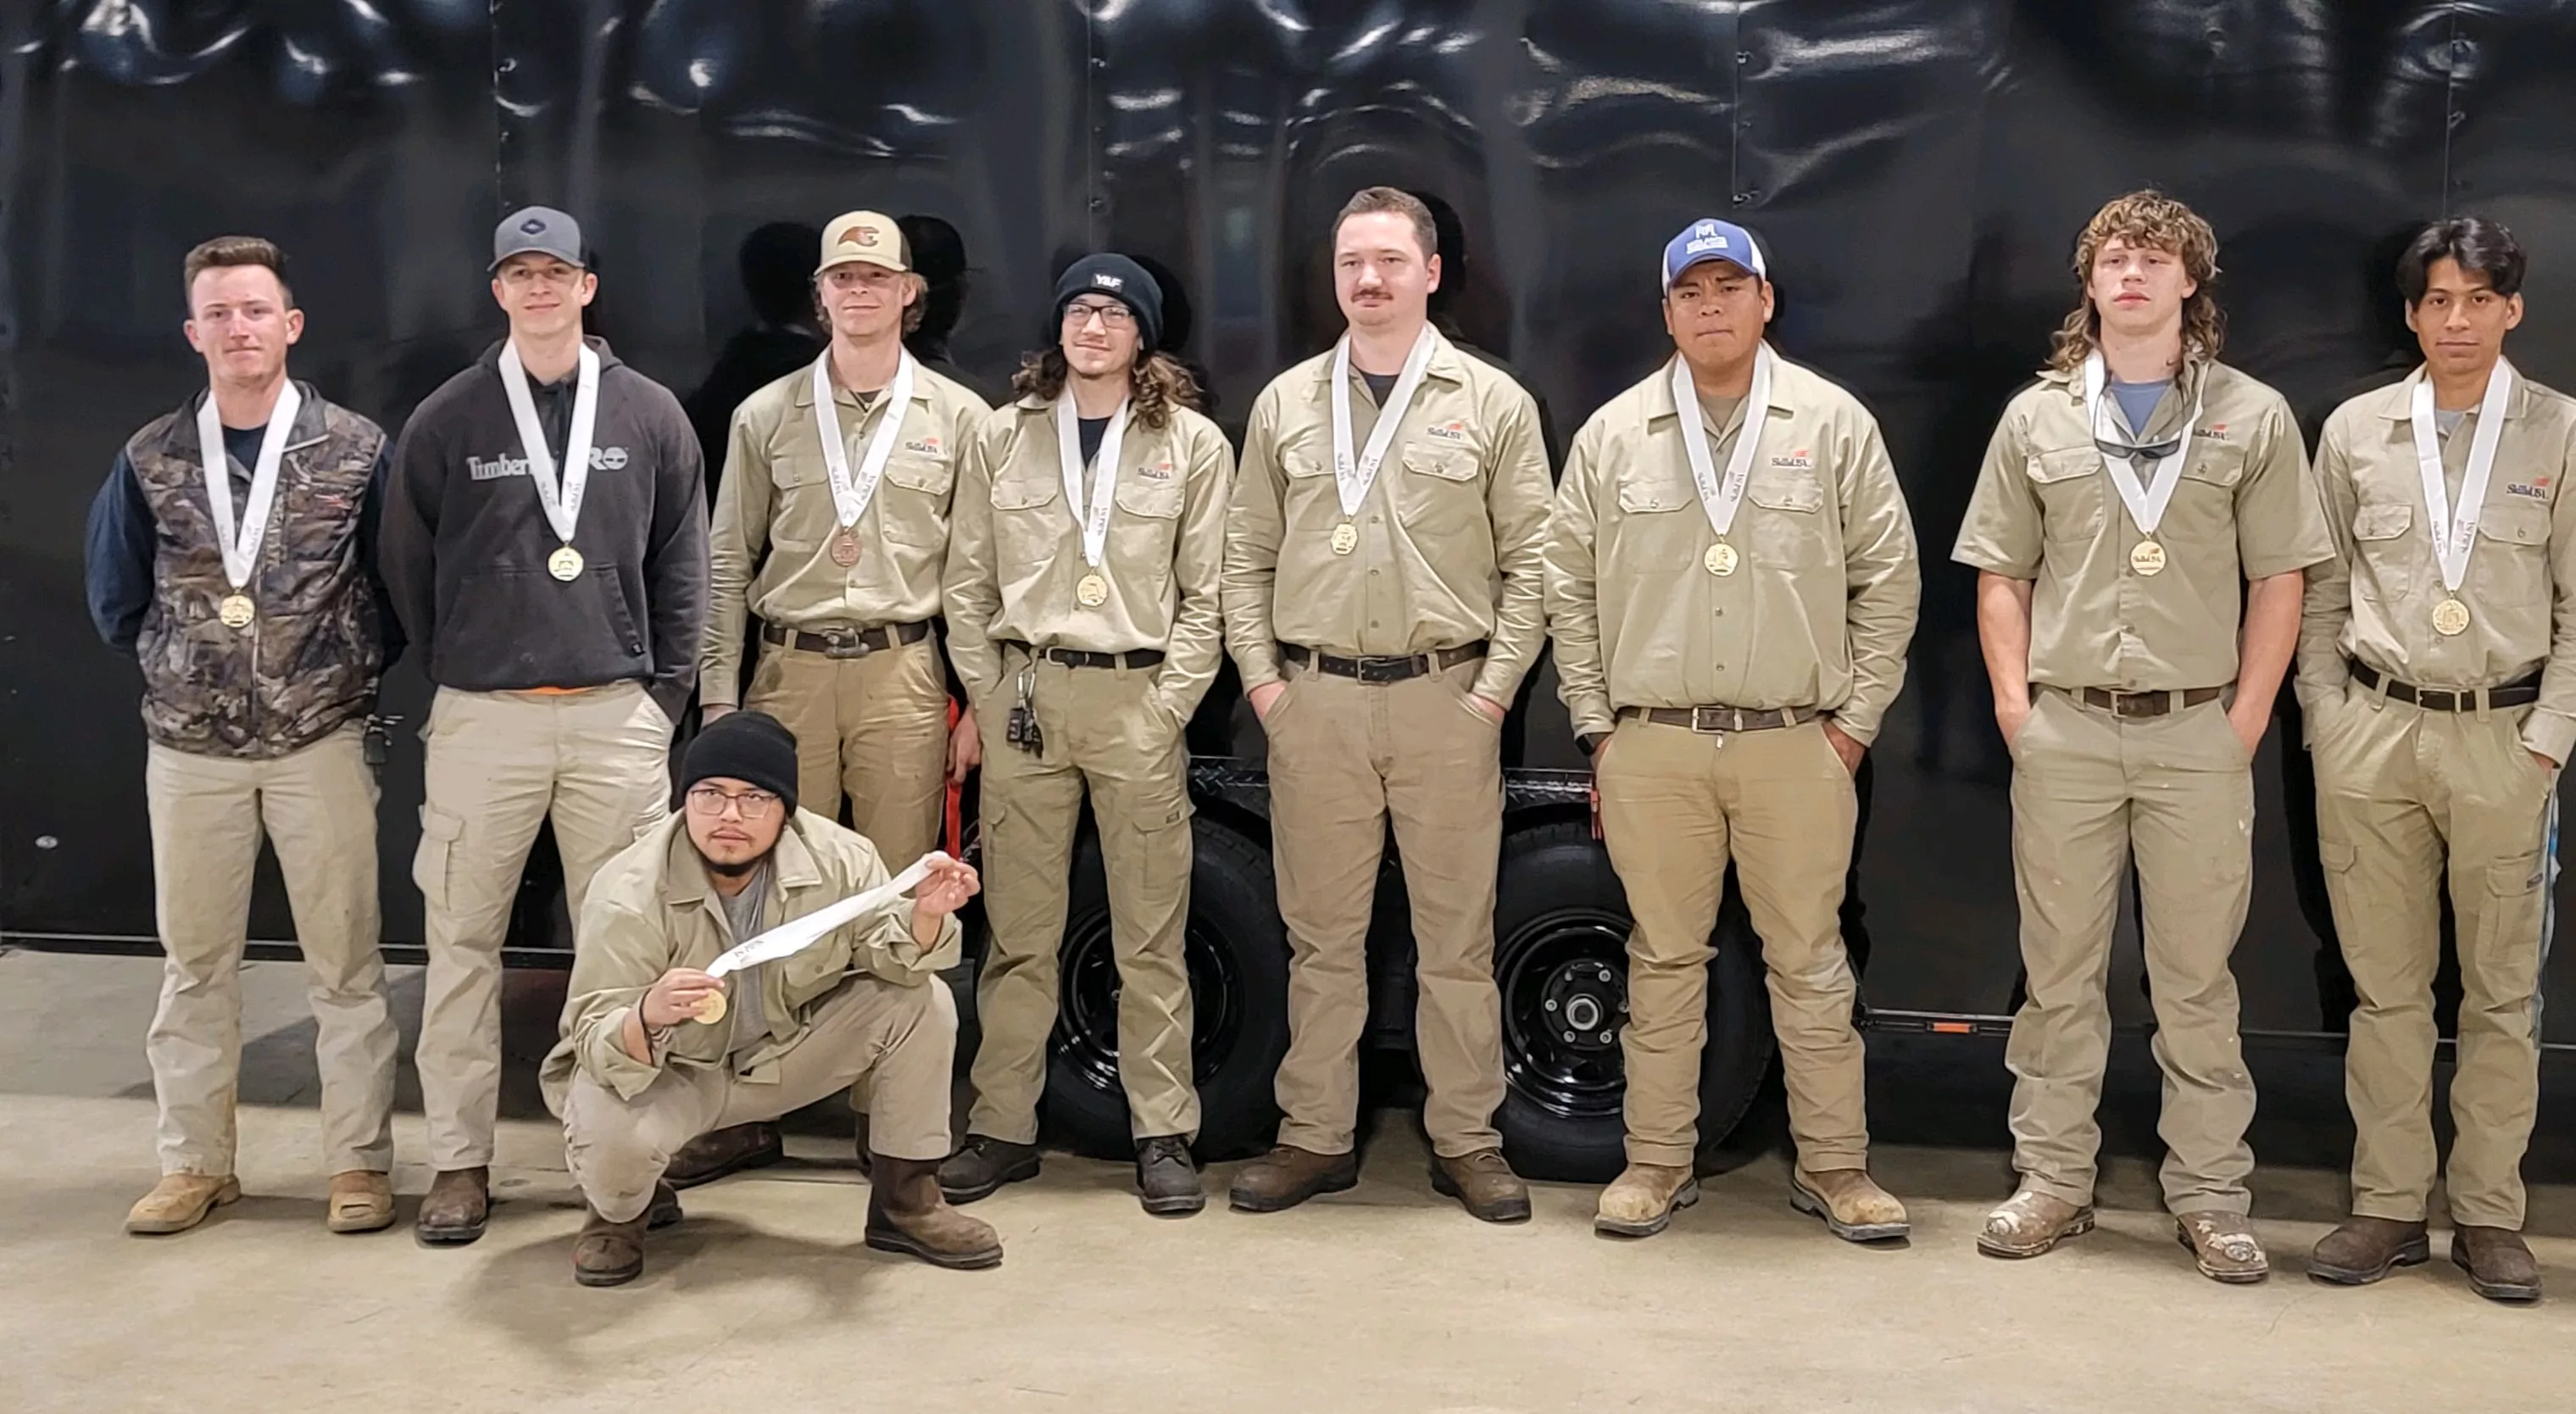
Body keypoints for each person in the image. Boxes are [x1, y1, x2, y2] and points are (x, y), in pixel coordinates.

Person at [1953, 190, 2333, 1283]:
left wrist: (2247, 718)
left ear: (2189, 284)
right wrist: (2019, 711)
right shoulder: (2037, 420)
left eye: (2154, 259)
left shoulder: (2250, 417)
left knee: (2196, 979)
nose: (2132, 274)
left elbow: (2282, 578)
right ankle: (2053, 1183)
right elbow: (2000, 577)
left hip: (2195, 736)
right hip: (2067, 731)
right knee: (2059, 971)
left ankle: (2212, 1197)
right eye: (2114, 257)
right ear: (2089, 283)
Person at [1544, 219, 1920, 1240]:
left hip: (1795, 743)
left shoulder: (1834, 423)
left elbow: (1890, 581)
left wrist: (1850, 729)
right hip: (1652, 744)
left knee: (1810, 960)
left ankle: (1837, 1168)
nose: (1710, 305)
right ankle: (1657, 1161)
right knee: (1663, 960)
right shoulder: (1614, 434)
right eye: (1690, 291)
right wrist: (1598, 728)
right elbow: (1564, 586)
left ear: (1767, 299)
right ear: (1666, 312)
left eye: (1729, 285)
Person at [1221, 186, 1551, 1222]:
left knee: (1458, 938)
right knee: (1320, 938)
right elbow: (1244, 559)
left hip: (1445, 703)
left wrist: (1492, 694)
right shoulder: (1284, 404)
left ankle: (1468, 1139)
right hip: (1315, 702)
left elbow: (1536, 564)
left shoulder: (1490, 402)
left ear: (1432, 272)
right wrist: (1268, 688)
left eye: (1391, 262)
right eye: (1352, 262)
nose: (1369, 280)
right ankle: (1314, 1136)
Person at [380, 206, 708, 1244]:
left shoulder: (651, 413)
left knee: (627, 954)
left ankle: (625, 1161)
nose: (537, 289)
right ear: (497, 291)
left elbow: (684, 569)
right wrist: (466, 669)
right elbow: (405, 569)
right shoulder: (448, 418)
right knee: (463, 945)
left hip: (615, 720)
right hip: (487, 723)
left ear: (586, 286)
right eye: (518, 273)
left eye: (553, 272)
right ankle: (459, 1163)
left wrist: (658, 702)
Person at [84, 236, 403, 1238]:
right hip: (191, 753)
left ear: (290, 325)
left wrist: (335, 672)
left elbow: (396, 592)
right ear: (193, 333)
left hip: (321, 743)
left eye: (255, 310)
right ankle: (195, 1165)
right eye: (218, 313)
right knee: (195, 968)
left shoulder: (356, 449)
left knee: (347, 967)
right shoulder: (150, 456)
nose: (238, 328)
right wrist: (192, 671)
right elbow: (112, 594)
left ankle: (358, 1164)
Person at [678, 211, 990, 1188]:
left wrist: (978, 696)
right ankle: (740, 1106)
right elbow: (728, 564)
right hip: (788, 676)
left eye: (877, 277)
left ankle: (887, 1119)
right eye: (841, 278)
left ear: (909, 293)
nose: (858, 292)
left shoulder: (960, 418)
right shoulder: (765, 415)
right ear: (820, 297)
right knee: (756, 890)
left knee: (899, 891)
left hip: (904, 672)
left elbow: (975, 573)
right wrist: (721, 702)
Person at [2295, 217, 2569, 1303]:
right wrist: (2326, 715)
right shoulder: (2358, 429)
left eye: (2479, 299)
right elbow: (2318, 587)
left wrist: (2547, 740)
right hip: (2373, 732)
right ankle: (2389, 1206)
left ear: (2514, 309)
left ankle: (2493, 1216)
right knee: (2385, 991)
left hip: (2506, 739)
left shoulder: (2560, 432)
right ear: (2411, 313)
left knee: (2503, 995)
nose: (2457, 321)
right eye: (2438, 300)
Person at [938, 253, 1235, 1215]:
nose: (1093, 327)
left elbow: (1209, 599)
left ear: (1142, 335)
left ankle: (1162, 1132)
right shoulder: (1003, 434)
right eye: (1078, 311)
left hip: (1135, 703)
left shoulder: (1189, 444)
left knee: (1151, 934)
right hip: (1026, 701)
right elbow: (968, 585)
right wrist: (986, 698)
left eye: (1113, 313)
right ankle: (1002, 1129)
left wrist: (1165, 710)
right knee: (1021, 935)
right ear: (1057, 328)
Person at [543, 710, 999, 1286]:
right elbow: (590, 1033)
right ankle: (620, 1215)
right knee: (608, 1129)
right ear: (685, 800)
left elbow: (896, 959)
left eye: (755, 798)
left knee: (922, 1002)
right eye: (710, 794)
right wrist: (645, 1014)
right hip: (677, 1072)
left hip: (786, 1057)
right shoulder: (628, 888)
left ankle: (906, 1204)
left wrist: (926, 917)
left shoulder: (841, 858)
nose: (730, 816)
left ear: (786, 811)